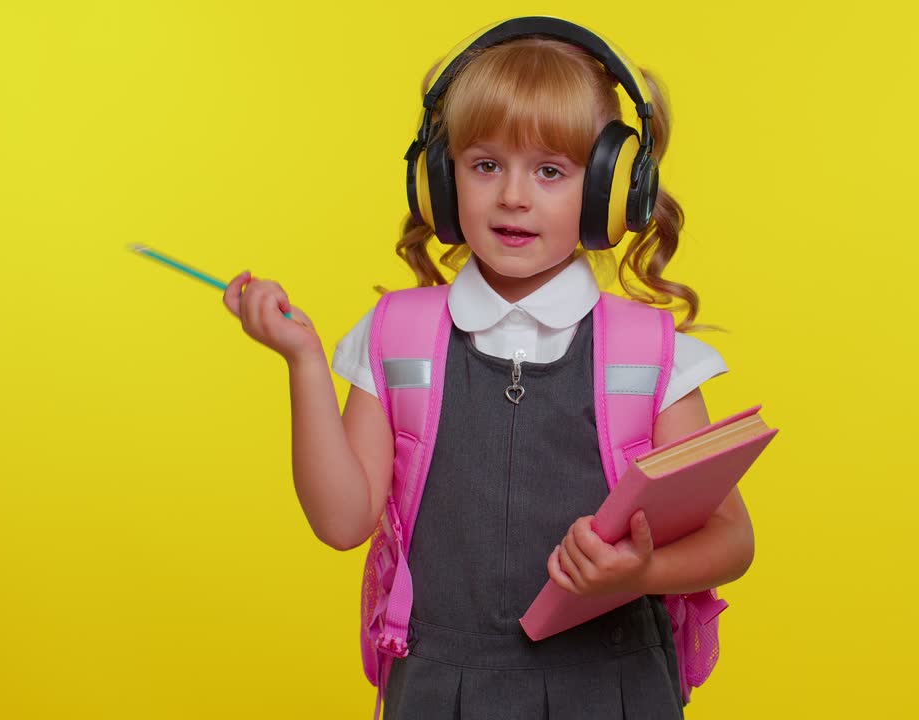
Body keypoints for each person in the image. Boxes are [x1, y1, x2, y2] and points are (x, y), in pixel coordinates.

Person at [222, 17, 754, 719]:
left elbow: (733, 541)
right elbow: (344, 521)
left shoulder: (653, 356)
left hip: (616, 691)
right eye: (485, 165)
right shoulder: (393, 339)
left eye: (551, 172)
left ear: (610, 190)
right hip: (445, 693)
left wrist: (645, 571)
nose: (513, 196)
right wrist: (305, 362)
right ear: (440, 182)